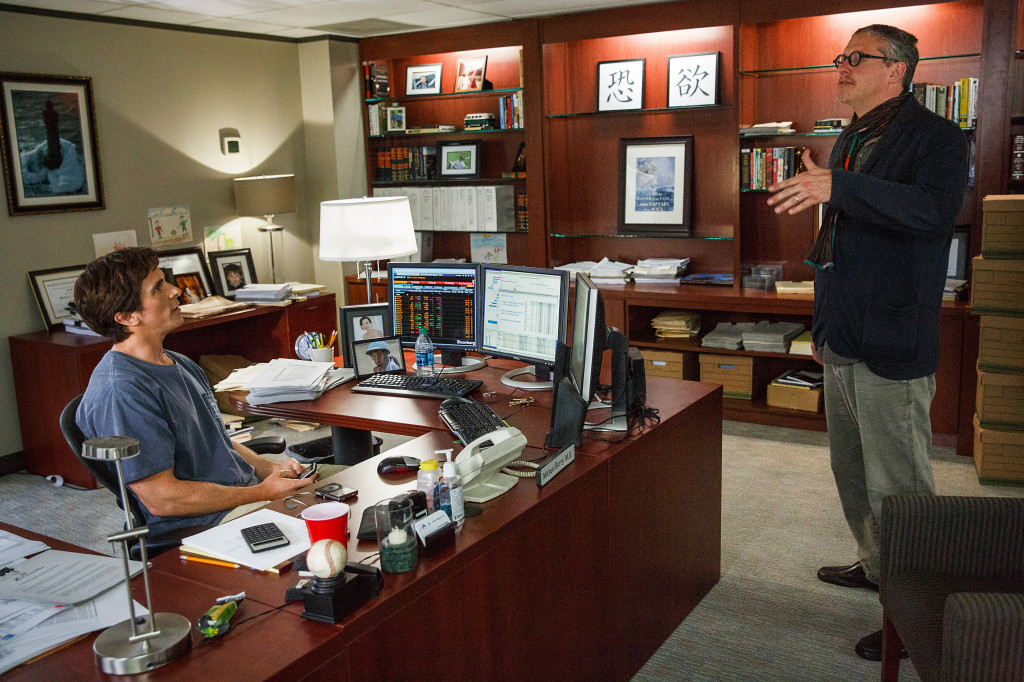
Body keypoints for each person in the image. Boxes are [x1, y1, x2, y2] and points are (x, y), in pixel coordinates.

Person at [767, 24, 968, 661]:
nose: (843, 66)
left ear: (898, 70)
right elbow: (845, 238)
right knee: (850, 471)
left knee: (899, 486)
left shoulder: (939, 138)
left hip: (892, 336)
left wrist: (839, 186)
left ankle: (917, 615)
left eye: (857, 58)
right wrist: (823, 328)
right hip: (844, 331)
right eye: (841, 57)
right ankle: (877, 568)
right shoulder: (853, 134)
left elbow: (932, 214)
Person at [74, 247, 309, 539]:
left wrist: (268, 468)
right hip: (204, 523)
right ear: (126, 317)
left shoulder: (177, 361)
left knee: (352, 489)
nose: (176, 290)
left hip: (244, 495)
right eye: (158, 288)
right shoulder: (122, 392)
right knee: (329, 520)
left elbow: (214, 441)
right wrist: (261, 493)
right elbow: (163, 498)